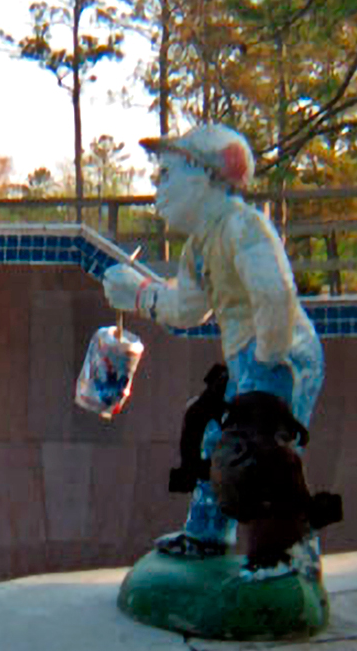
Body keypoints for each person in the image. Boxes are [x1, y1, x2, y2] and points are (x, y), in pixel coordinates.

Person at [101, 124, 324, 563]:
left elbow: (276, 294)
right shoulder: (200, 248)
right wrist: (141, 294)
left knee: (265, 455)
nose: (157, 187)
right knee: (213, 433)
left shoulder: (243, 226)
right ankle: (207, 534)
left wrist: (266, 365)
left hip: (281, 358)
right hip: (250, 359)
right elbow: (188, 308)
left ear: (206, 175)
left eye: (167, 174)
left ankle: (290, 555)